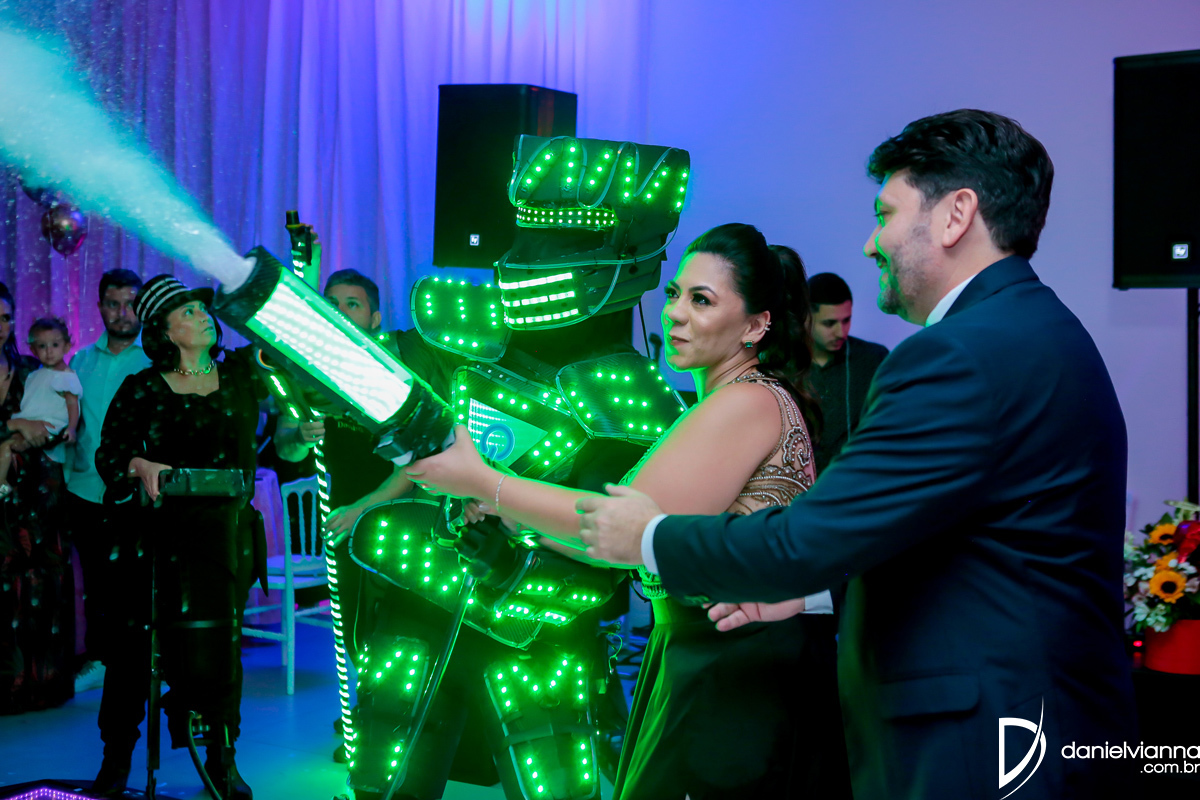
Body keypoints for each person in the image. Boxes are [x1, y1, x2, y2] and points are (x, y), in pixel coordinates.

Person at [575, 110, 1138, 799]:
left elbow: (808, 537)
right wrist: (812, 595)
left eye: (886, 214)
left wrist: (650, 535)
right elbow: (964, 542)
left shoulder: (956, 356)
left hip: (987, 746)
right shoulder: (1041, 329)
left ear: (957, 214)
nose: (872, 244)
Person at [408, 224, 851, 799]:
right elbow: (613, 543)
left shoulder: (747, 401)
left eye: (702, 300)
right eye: (674, 294)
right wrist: (509, 512)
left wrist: (487, 484)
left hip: (734, 670)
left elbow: (613, 527)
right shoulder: (734, 400)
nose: (676, 313)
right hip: (712, 656)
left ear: (754, 325)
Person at [92, 275, 266, 799]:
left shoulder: (241, 375)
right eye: (187, 312)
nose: (202, 316)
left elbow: (286, 373)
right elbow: (109, 454)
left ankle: (221, 759)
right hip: (159, 541)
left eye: (201, 309)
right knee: (134, 653)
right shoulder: (143, 387)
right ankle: (116, 760)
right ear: (164, 331)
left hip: (226, 537)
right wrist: (140, 463)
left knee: (221, 650)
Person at [275, 268, 419, 763]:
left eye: (352, 304)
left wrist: (363, 508)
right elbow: (286, 447)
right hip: (344, 526)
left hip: (398, 520)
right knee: (354, 632)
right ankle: (370, 710)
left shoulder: (397, 375)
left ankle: (386, 723)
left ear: (375, 318)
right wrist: (300, 434)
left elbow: (416, 465)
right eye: (332, 303)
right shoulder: (309, 375)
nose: (339, 311)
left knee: (394, 630)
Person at [65, 268, 150, 694]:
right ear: (99, 307)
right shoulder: (80, 361)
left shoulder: (154, 359)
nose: (122, 313)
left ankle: (137, 662)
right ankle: (99, 659)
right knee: (96, 581)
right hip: (84, 488)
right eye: (113, 304)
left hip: (135, 492)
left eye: (130, 304)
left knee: (135, 582)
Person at [0, 283, 76, 715]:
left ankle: (42, 686)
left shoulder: (33, 368)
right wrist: (13, 427)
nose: (0, 326)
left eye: (5, 318)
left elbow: (61, 422)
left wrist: (40, 432)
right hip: (2, 492)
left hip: (40, 491)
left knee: (42, 584)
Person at [801, 270, 889, 473]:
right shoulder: (785, 363)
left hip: (858, 478)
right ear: (806, 317)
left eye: (846, 320)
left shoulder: (873, 358)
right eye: (829, 323)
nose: (841, 332)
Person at [0, 318, 81, 496]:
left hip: (50, 424)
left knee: (14, 446)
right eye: (42, 346)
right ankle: (2, 483)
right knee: (7, 446)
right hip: (30, 422)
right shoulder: (33, 373)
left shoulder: (66, 377)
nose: (49, 351)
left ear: (66, 347)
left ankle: (4, 485)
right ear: (34, 350)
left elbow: (73, 404)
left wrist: (72, 428)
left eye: (55, 345)